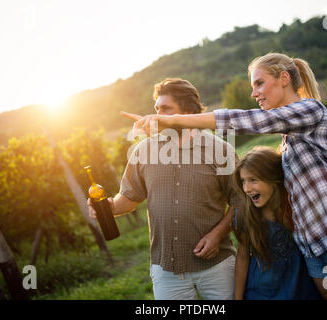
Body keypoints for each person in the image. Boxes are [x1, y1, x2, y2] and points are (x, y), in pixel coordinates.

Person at [122, 52, 327, 300]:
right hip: (314, 247)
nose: (254, 92)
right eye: (253, 86)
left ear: (284, 78)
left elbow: (248, 120)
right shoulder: (289, 136)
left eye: (259, 83)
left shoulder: (311, 110)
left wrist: (174, 120)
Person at [90, 78, 240, 300]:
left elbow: (241, 202)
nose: (156, 115)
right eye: (156, 108)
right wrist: (110, 207)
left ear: (188, 112)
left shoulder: (221, 150)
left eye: (165, 109)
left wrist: (218, 235)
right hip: (166, 270)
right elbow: (129, 198)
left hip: (217, 265)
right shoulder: (142, 151)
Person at [233, 146, 321, 300]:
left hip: (301, 289)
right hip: (262, 292)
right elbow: (242, 258)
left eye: (253, 180)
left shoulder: (295, 206)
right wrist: (237, 298)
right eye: (243, 181)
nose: (246, 188)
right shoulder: (245, 214)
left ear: (273, 178)